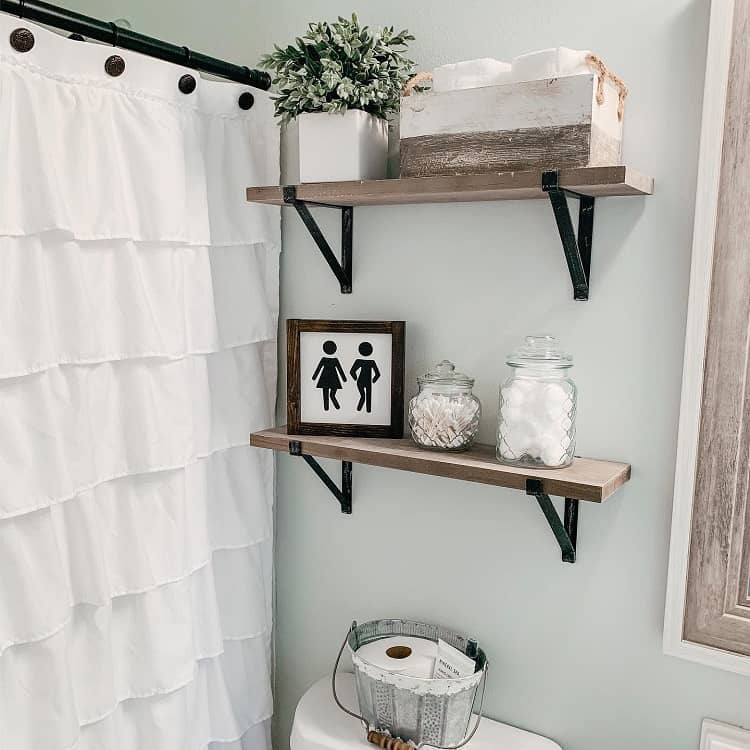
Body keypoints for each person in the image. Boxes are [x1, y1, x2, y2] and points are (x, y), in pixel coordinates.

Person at [311, 340, 346, 411]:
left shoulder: (333, 360)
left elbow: (339, 369)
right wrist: (343, 378)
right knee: (327, 395)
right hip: (330, 378)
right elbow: (319, 368)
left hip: (327, 379)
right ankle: (328, 408)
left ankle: (332, 407)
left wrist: (314, 377)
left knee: (329, 394)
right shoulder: (330, 360)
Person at [350, 342, 381, 414]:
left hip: (363, 381)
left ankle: (365, 410)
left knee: (366, 396)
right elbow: (352, 371)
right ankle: (362, 409)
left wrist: (374, 380)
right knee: (365, 396)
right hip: (364, 381)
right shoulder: (369, 362)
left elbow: (352, 371)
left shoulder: (365, 362)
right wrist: (373, 380)